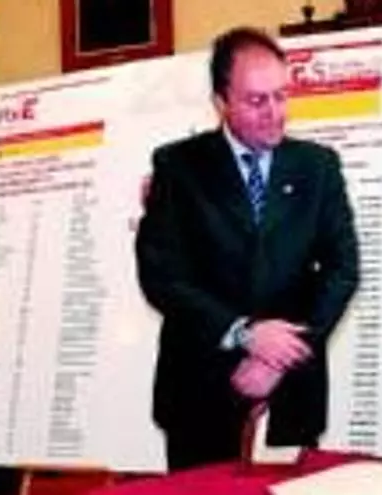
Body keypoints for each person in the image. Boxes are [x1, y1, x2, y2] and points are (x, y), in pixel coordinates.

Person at [135, 26, 359, 470]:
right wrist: (244, 333)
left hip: (291, 395)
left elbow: (342, 268)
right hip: (200, 393)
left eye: (281, 96)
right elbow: (162, 277)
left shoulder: (318, 167)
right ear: (221, 102)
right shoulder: (177, 167)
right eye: (257, 100)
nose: (274, 113)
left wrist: (282, 356)